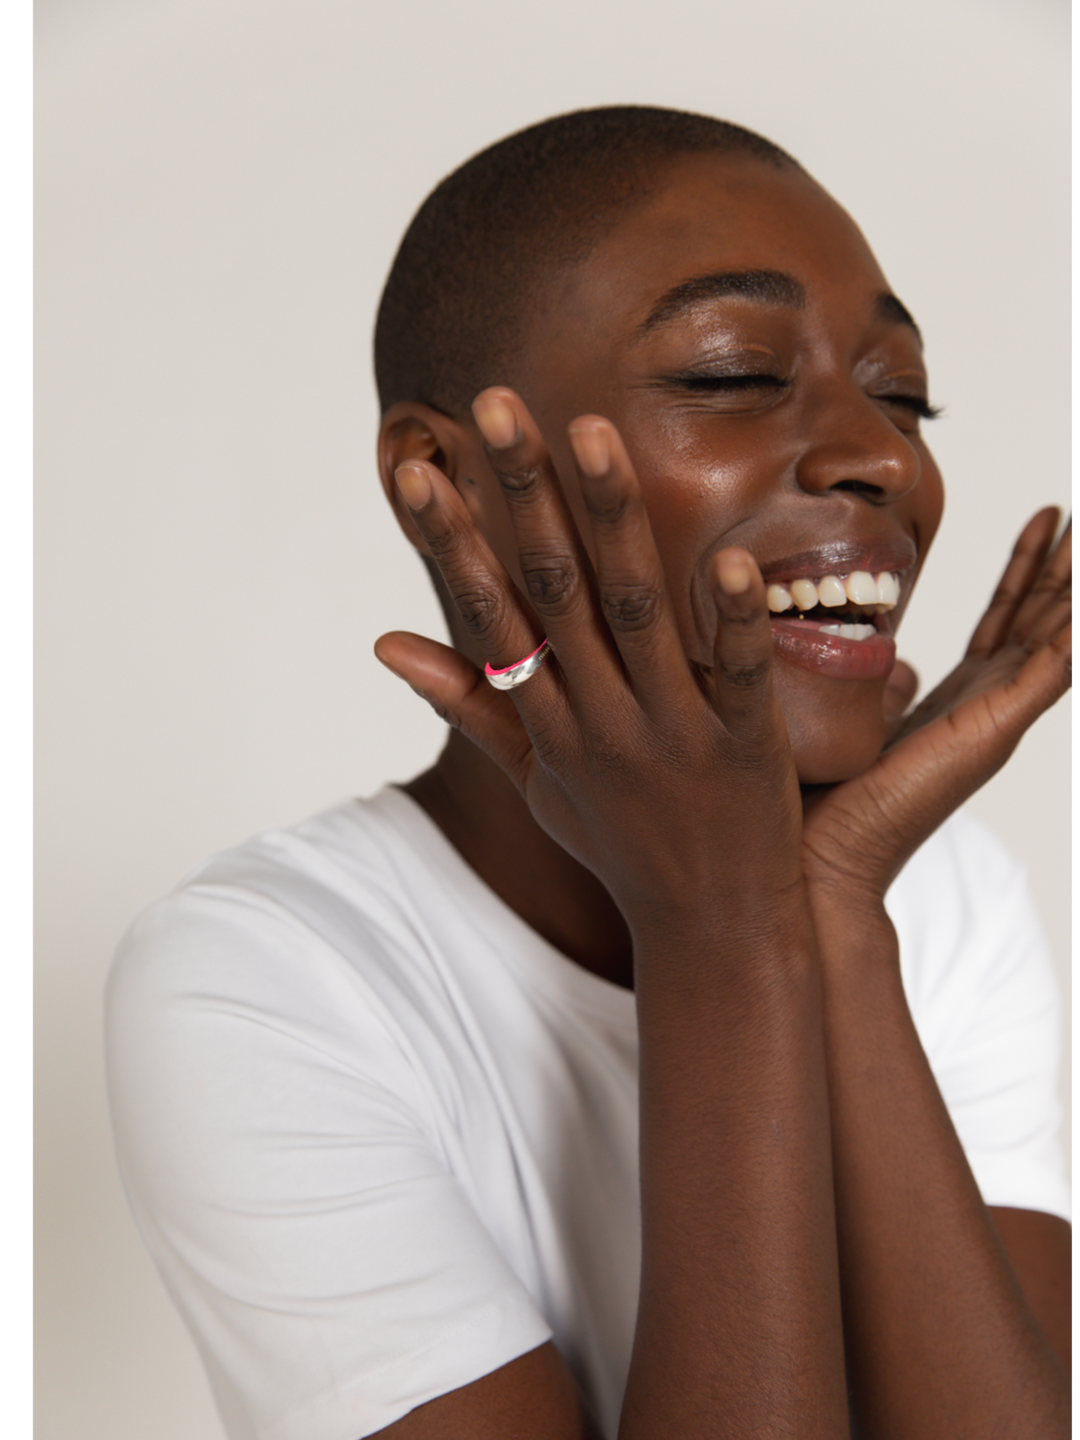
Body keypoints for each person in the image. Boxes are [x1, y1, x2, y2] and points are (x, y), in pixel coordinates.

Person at [106, 107, 1075, 1439]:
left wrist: (832, 910)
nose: (887, 453)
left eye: (903, 391)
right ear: (439, 476)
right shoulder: (266, 980)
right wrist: (729, 934)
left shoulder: (953, 903)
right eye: (734, 373)